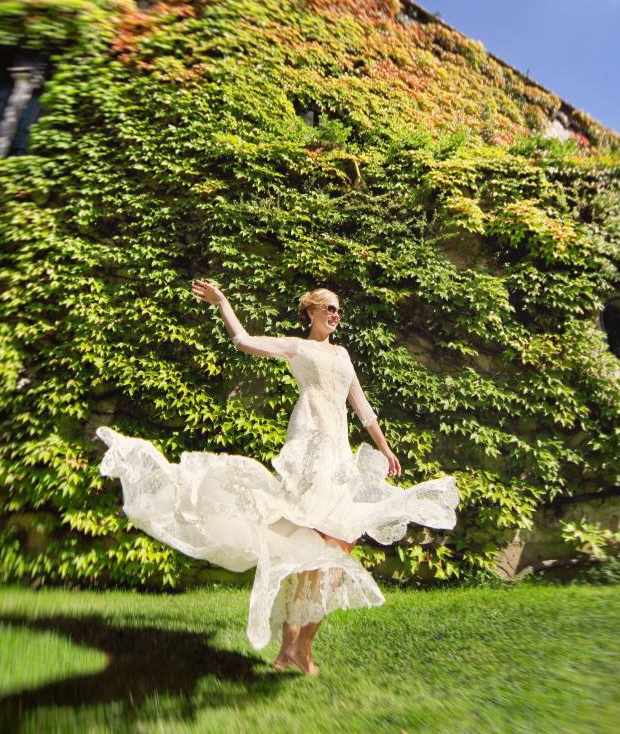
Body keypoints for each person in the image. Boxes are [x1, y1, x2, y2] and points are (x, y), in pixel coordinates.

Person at [95, 280, 459, 675]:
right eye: (330, 309)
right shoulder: (298, 347)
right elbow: (243, 340)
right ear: (312, 313)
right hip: (308, 452)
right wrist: (223, 302)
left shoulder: (343, 353)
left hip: (338, 459)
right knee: (306, 550)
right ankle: (294, 649)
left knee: (334, 553)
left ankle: (296, 649)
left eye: (339, 310)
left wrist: (385, 448)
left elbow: (362, 406)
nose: (336, 316)